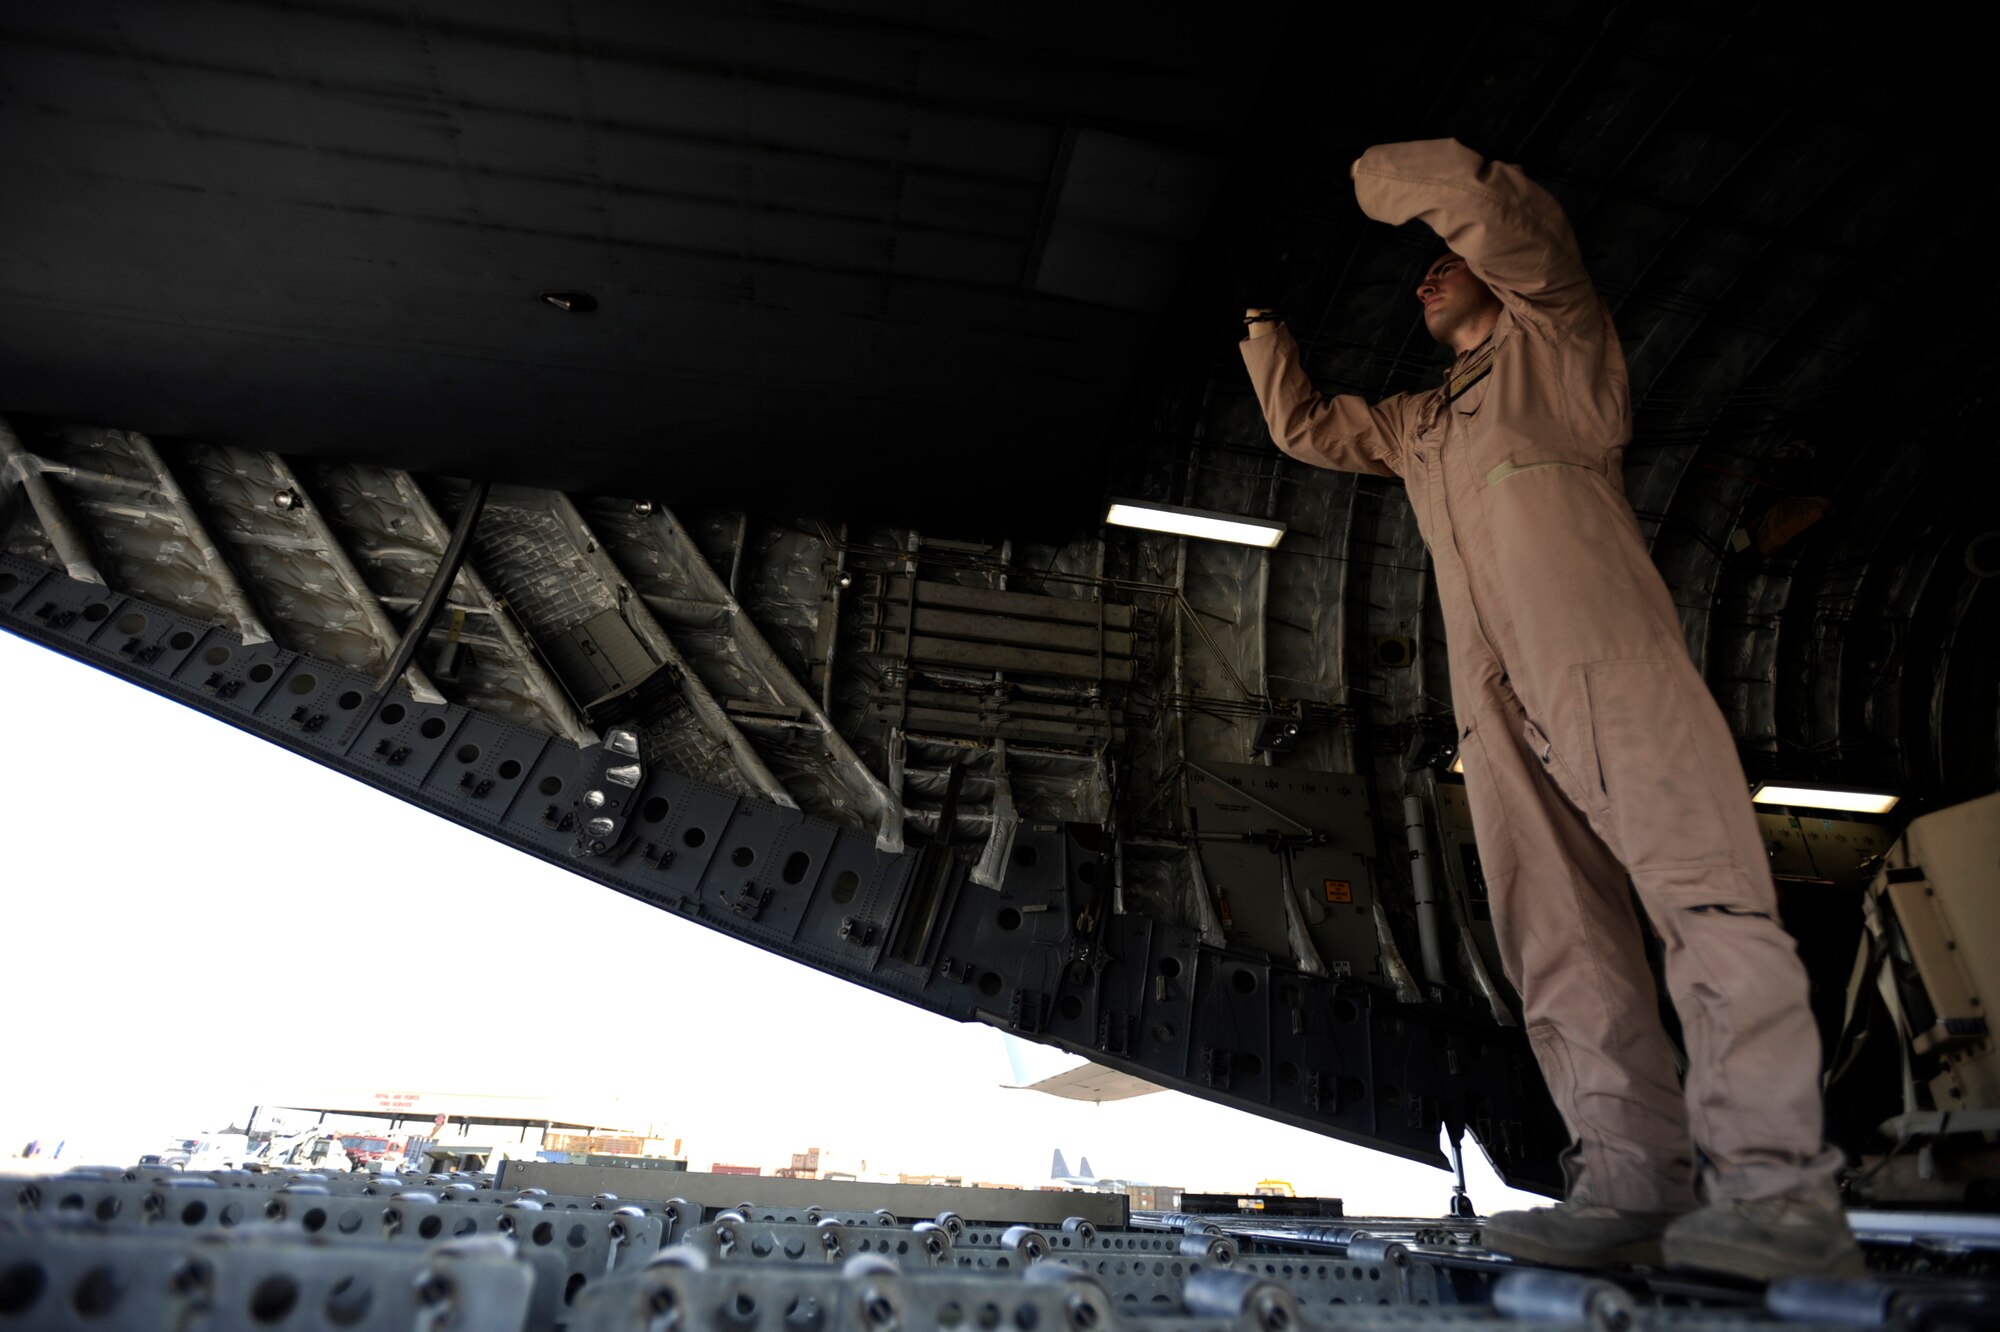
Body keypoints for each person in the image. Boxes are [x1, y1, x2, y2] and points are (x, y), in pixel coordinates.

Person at [1237, 139, 1859, 1281]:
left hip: (1600, 660)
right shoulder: (1421, 423)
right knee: (1558, 938)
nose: (1424, 276)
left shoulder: (1557, 339)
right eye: (1416, 268)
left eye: (1442, 262)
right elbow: (1306, 428)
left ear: (1489, 267)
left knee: (1702, 897)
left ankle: (1777, 1196)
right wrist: (1261, 319)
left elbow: (1484, 204)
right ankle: (1627, 1187)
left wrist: (1353, 177)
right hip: (1489, 690)